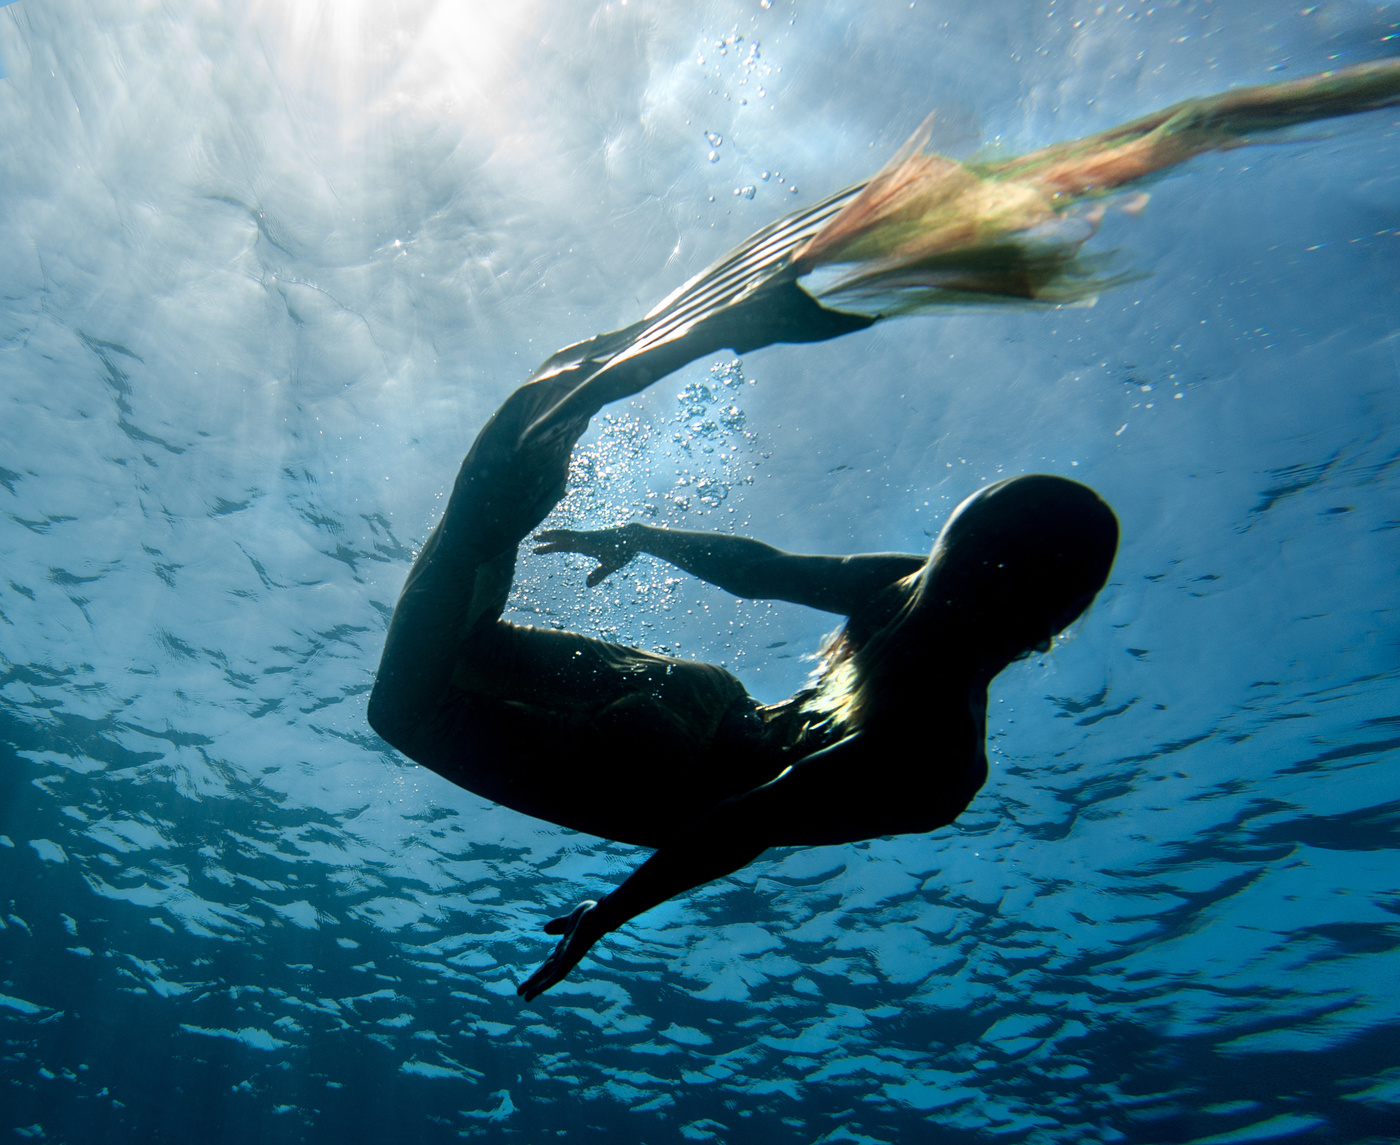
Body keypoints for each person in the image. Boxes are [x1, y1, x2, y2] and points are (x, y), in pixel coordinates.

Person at [367, 59, 1398, 999]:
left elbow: (757, 581)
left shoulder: (907, 624)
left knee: (467, 595)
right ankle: (538, 452)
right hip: (680, 774)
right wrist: (609, 909)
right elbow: (749, 809)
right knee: (408, 705)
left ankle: (576, 409)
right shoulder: (937, 749)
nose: (939, 572)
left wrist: (641, 536)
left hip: (699, 722)